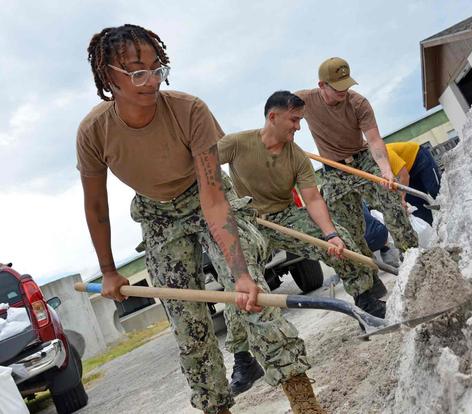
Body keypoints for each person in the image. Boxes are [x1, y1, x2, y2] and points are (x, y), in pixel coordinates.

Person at [77, 24, 323, 414]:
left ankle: (305, 403)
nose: (151, 80)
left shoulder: (188, 109)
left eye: (158, 69)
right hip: (157, 217)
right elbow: (96, 207)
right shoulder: (94, 131)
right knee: (189, 329)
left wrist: (240, 272)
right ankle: (216, 408)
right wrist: (109, 271)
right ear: (109, 75)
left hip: (203, 196)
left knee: (254, 299)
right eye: (137, 71)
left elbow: (212, 196)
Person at [218, 91, 387, 318]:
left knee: (343, 243)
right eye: (294, 120)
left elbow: (313, 198)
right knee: (239, 283)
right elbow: (201, 167)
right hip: (248, 222)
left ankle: (367, 306)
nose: (298, 127)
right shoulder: (237, 144)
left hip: (285, 216)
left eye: (300, 120)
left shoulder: (296, 156)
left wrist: (330, 235)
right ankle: (241, 351)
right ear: (272, 117)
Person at [295, 57, 418, 263]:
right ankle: (368, 274)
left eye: (346, 84)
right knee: (344, 224)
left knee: (391, 201)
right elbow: (280, 113)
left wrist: (386, 170)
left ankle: (412, 255)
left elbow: (374, 140)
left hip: (363, 159)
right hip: (334, 169)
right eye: (337, 87)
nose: (343, 91)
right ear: (322, 85)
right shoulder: (305, 100)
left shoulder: (358, 102)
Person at [386, 142, 442, 225]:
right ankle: (433, 227)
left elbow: (404, 176)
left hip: (419, 158)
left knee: (436, 191)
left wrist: (401, 198)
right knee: (416, 205)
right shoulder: (373, 169)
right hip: (408, 172)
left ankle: (454, 214)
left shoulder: (386, 153)